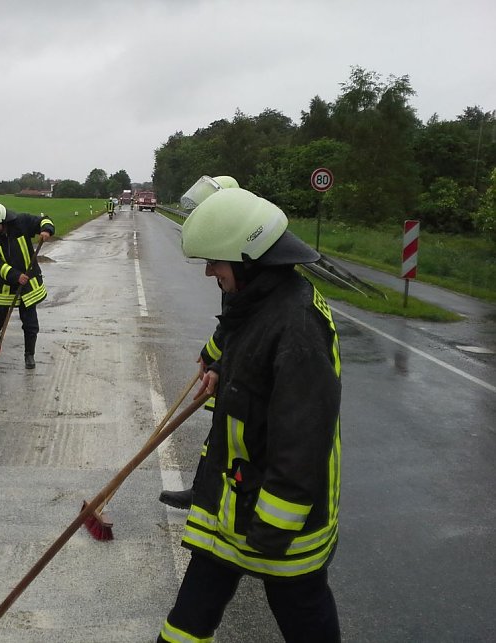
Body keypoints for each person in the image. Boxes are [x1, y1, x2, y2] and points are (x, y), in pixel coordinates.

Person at [158, 187, 342, 642]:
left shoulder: (297, 326)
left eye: (215, 262)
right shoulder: (260, 302)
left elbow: (301, 443)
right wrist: (223, 368)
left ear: (249, 258)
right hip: (232, 504)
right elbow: (249, 353)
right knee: (186, 623)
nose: (209, 272)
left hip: (277, 527)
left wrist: (271, 531)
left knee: (305, 617)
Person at [159, 175, 239, 510]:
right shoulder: (229, 261)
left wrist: (218, 360)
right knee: (219, 432)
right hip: (231, 362)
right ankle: (202, 489)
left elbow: (240, 326)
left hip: (243, 373)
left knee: (227, 435)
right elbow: (231, 323)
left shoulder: (242, 263)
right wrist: (213, 357)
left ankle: (206, 492)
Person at [0, 202, 54, 370]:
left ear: (3, 220)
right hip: (5, 285)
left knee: (30, 323)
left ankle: (29, 355)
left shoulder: (21, 222)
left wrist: (46, 230)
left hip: (28, 286)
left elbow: (44, 220)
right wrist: (15, 276)